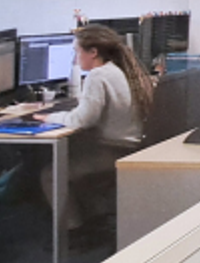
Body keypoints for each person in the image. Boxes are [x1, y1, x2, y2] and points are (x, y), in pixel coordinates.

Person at [35, 25, 153, 238]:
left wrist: (48, 117)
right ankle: (92, 220)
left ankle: (74, 233)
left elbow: (83, 120)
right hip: (129, 145)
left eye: (77, 51)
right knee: (74, 154)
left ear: (93, 52)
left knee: (50, 174)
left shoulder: (97, 76)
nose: (75, 58)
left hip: (114, 150)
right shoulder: (118, 70)